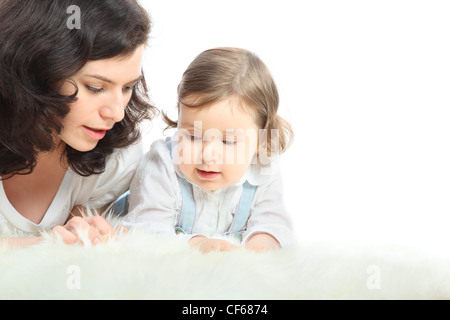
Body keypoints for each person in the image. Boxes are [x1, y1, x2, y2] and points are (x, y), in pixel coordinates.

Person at [0, 0, 157, 248]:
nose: (116, 113)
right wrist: (41, 245)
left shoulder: (117, 157)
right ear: (37, 70)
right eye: (95, 88)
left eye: (127, 87)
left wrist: (82, 233)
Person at [123, 47, 295, 253]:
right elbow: (144, 230)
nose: (207, 155)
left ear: (260, 140)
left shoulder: (263, 170)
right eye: (193, 136)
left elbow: (273, 223)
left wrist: (258, 246)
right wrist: (197, 245)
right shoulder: (161, 164)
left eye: (228, 141)